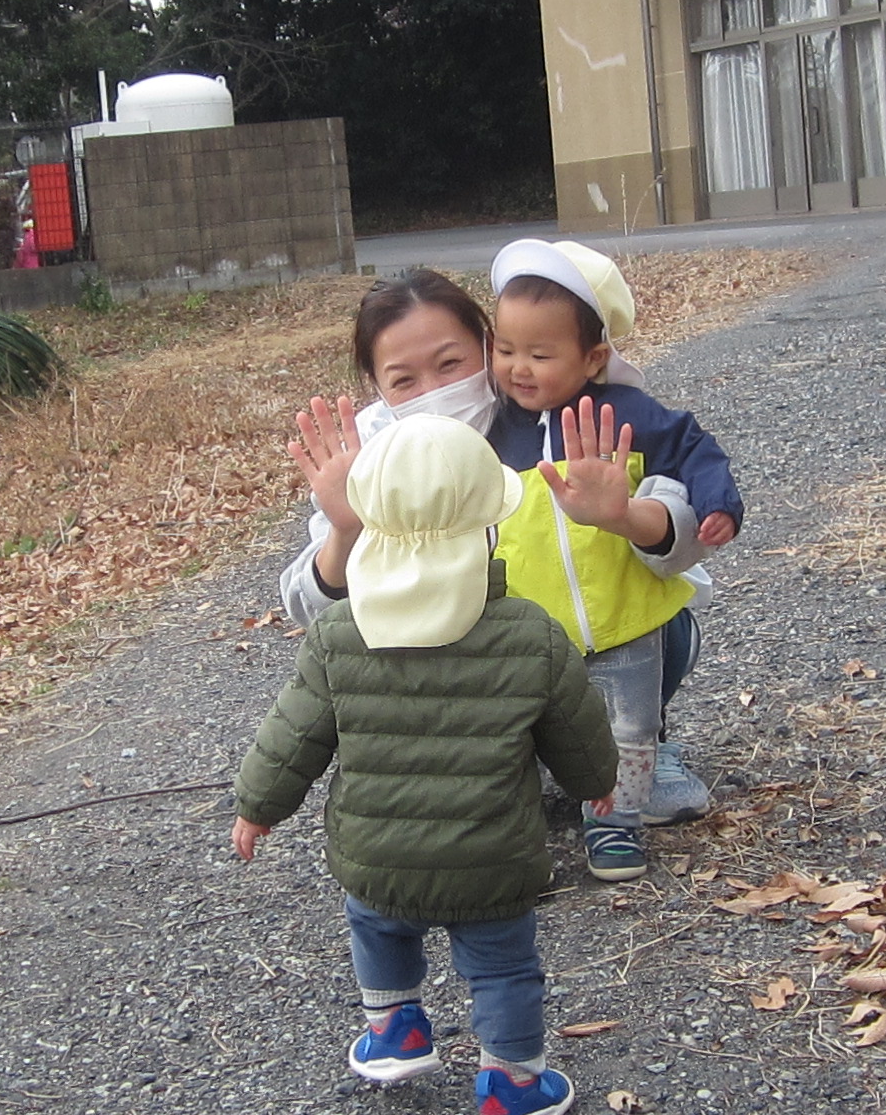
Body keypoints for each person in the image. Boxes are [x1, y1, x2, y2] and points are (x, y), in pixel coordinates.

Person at [279, 254, 742, 879]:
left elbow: (679, 508)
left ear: (489, 347)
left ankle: (633, 757)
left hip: (586, 638)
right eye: (404, 380)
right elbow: (317, 617)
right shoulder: (368, 459)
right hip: (469, 674)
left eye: (451, 364)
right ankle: (488, 775)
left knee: (660, 630)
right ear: (377, 390)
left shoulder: (555, 411)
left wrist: (625, 516)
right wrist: (347, 526)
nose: (436, 393)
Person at [234, 415, 619, 1115]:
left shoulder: (340, 634)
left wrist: (257, 807)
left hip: (376, 858)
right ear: (488, 532)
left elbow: (293, 736)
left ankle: (396, 1033)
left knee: (377, 924)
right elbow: (576, 729)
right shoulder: (529, 633)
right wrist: (598, 780)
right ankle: (511, 1088)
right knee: (503, 968)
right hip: (491, 863)